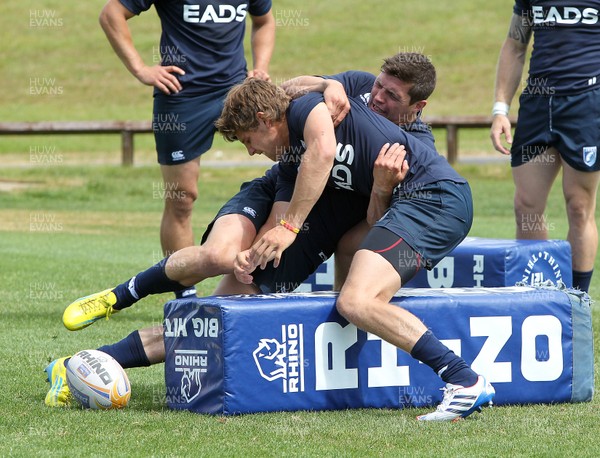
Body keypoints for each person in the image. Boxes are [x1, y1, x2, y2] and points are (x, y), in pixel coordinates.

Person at [218, 79, 495, 421]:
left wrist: (290, 227)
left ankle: (464, 380)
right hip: (410, 202)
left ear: (263, 119)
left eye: (248, 140)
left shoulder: (305, 111)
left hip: (435, 198)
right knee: (349, 253)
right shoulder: (293, 154)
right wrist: (256, 253)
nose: (250, 151)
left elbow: (320, 143)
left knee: (356, 300)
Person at [99, 0, 275, 298]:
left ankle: (276, 272)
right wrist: (141, 69)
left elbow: (264, 21)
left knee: (283, 162)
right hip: (182, 97)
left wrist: (260, 68)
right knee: (181, 199)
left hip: (235, 91)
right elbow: (111, 14)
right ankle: (184, 293)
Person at [280, 53, 438, 285]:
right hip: (302, 181)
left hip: (357, 210)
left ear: (418, 105)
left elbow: (386, 224)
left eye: (392, 95)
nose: (378, 98)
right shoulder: (359, 83)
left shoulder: (417, 148)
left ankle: (350, 313)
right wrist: (327, 84)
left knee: (351, 244)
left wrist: (383, 188)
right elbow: (285, 89)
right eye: (379, 85)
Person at [490, 1, 600, 293]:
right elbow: (515, 45)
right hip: (538, 104)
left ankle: (577, 300)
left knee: (579, 206)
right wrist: (500, 109)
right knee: (526, 205)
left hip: (586, 104)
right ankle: (537, 297)